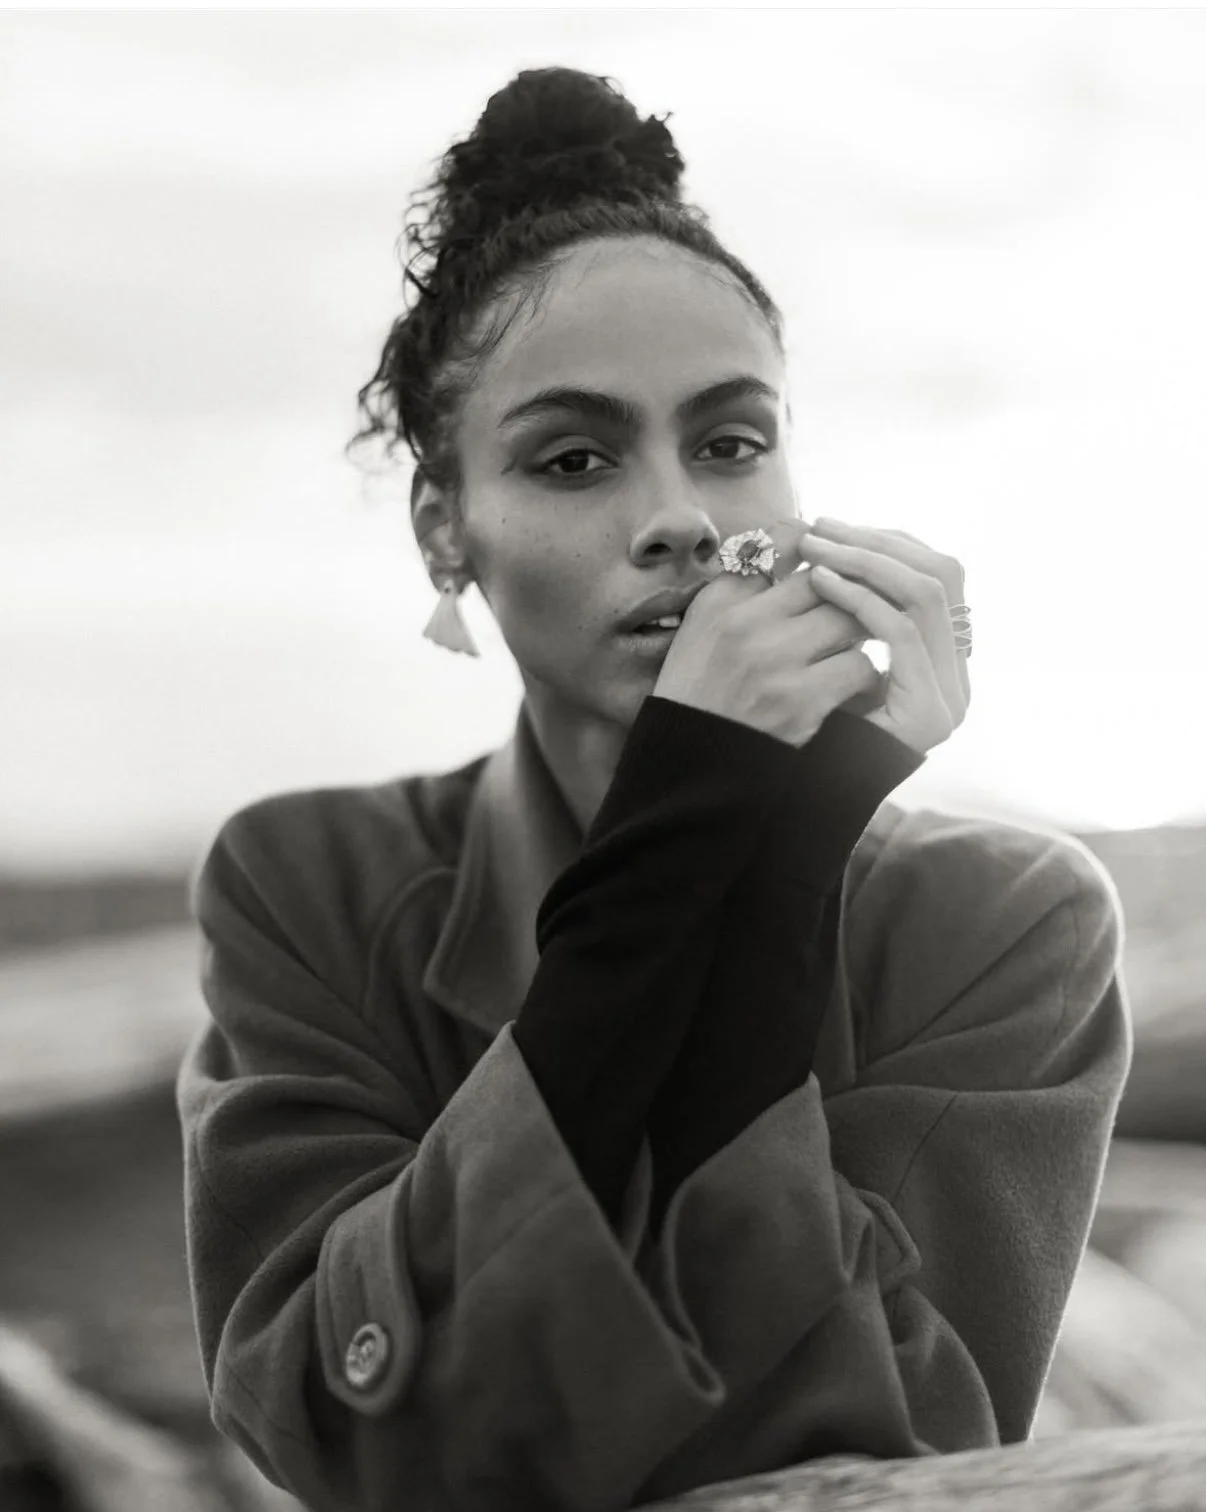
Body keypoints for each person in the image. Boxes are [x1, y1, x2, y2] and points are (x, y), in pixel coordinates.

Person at [175, 66, 1133, 1512]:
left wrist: (788, 848)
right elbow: (344, 1433)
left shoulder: (1003, 918)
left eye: (731, 443)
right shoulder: (305, 884)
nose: (681, 518)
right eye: (571, 458)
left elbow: (902, 1445)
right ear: (448, 530)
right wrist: (682, 841)